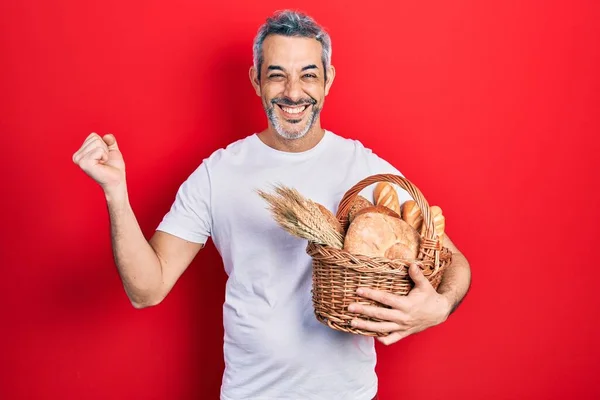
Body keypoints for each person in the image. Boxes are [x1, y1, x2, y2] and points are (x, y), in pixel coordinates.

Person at [72, 10, 471, 400]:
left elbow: (455, 261)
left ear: (328, 80)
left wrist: (438, 306)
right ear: (256, 81)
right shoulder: (219, 173)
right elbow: (148, 289)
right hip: (250, 392)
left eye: (308, 75)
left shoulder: (366, 170)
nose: (293, 92)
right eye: (277, 75)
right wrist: (115, 192)